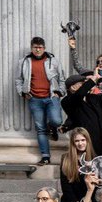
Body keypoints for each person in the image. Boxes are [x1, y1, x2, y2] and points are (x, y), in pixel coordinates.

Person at [16, 36, 67, 164]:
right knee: (40, 129)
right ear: (31, 48)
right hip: (34, 99)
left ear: (44, 48)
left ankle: (52, 127)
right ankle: (45, 156)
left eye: (40, 47)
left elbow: (62, 78)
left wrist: (59, 92)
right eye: (35, 47)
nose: (38, 50)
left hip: (51, 97)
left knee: (56, 121)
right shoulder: (24, 62)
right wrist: (23, 92)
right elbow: (19, 80)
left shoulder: (53, 61)